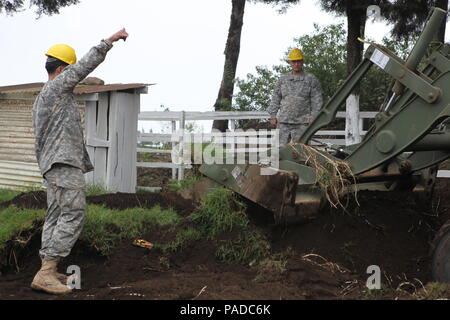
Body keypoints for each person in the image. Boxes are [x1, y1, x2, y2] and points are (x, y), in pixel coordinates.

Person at [31, 28, 129, 295]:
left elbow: (80, 78)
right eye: (70, 72)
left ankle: (47, 268)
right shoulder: (58, 86)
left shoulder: (46, 95)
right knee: (74, 213)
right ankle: (47, 272)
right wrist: (109, 41)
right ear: (62, 70)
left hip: (52, 164)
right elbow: (85, 65)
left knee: (56, 214)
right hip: (63, 163)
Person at [268, 48, 323, 145]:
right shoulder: (282, 80)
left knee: (302, 152)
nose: (296, 64)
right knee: (280, 151)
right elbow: (276, 98)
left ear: (302, 61)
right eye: (294, 61)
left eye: (298, 61)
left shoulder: (311, 79)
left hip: (302, 123)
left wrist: (314, 116)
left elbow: (317, 100)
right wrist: (273, 115)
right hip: (284, 122)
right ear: (289, 62)